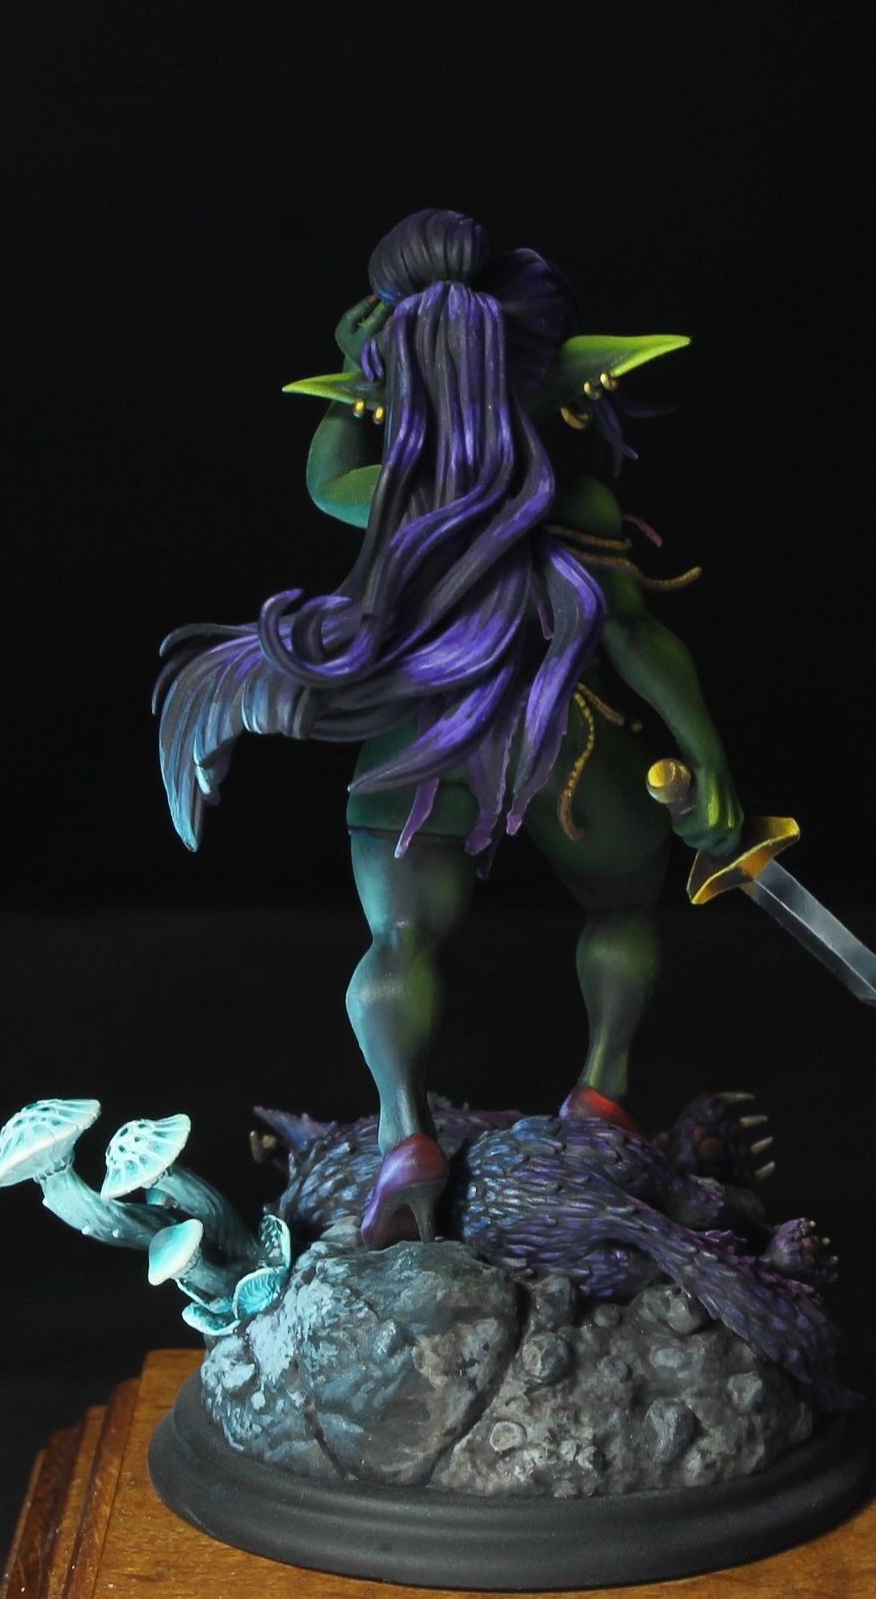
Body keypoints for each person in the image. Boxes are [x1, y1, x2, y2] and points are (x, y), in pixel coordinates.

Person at [156, 208, 742, 1247]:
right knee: (621, 906)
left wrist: (356, 386)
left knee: (400, 937)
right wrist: (706, 756)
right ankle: (601, 1089)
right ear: (549, 376)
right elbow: (635, 634)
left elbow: (323, 480)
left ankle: (404, 1135)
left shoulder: (391, 498)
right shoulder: (577, 499)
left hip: (422, 747)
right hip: (571, 741)